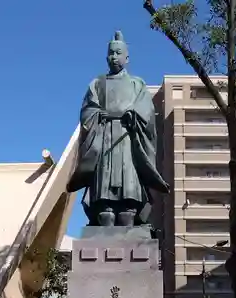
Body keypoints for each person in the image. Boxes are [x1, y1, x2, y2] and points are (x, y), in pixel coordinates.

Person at [66, 31, 169, 227]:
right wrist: (97, 115)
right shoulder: (97, 83)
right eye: (111, 53)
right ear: (106, 57)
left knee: (127, 210)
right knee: (106, 213)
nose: (114, 57)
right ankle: (103, 209)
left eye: (118, 53)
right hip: (104, 140)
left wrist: (134, 115)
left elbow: (146, 110)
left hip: (128, 140)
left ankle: (130, 209)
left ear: (127, 58)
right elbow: (88, 111)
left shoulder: (137, 84)